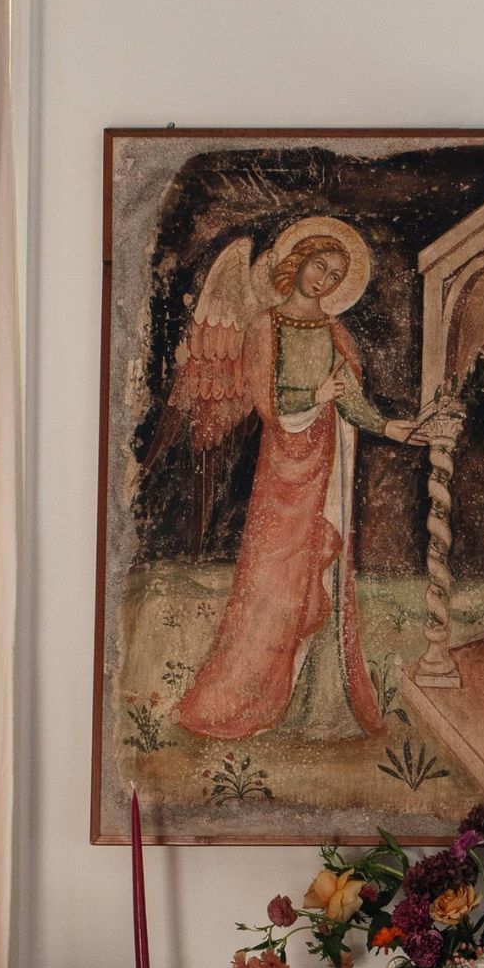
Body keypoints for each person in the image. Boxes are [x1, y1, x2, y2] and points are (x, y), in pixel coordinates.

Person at [168, 217, 421, 742]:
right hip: (285, 464)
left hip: (329, 462)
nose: (322, 280)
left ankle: (320, 694)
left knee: (325, 576)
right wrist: (316, 399)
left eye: (333, 275)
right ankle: (251, 691)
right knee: (273, 578)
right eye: (318, 266)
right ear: (297, 261)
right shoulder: (266, 326)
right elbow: (267, 403)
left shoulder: (334, 332)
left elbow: (351, 400)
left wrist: (395, 428)